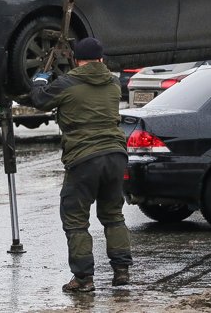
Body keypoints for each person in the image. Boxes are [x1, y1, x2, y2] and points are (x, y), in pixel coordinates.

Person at [28, 37, 132, 292]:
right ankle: (121, 271)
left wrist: (39, 81)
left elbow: (40, 101)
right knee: (113, 215)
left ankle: (84, 279)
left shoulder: (67, 83)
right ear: (101, 59)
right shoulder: (113, 83)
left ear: (76, 60)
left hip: (85, 158)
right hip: (116, 155)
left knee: (75, 219)